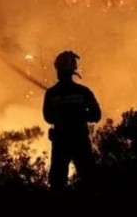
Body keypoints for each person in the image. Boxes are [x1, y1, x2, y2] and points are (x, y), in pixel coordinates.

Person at [43, 50, 102, 191]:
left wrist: (62, 116)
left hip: (61, 142)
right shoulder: (84, 92)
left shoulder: (51, 93)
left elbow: (47, 117)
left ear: (58, 70)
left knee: (57, 182)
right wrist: (81, 115)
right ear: (73, 70)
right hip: (80, 140)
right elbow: (96, 115)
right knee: (90, 179)